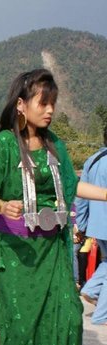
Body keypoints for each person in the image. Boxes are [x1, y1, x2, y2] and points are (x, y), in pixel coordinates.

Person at [0, 69, 107, 345]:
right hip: (17, 253)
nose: (50, 110)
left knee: (69, 316)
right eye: (43, 103)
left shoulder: (55, 145)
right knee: (21, 328)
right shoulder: (4, 143)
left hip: (52, 252)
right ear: (21, 105)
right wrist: (2, 204)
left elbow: (73, 185)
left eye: (53, 103)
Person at [75, 128, 107, 325]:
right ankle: (101, 314)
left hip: (97, 222)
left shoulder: (93, 159)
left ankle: (90, 289)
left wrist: (83, 223)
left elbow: (81, 197)